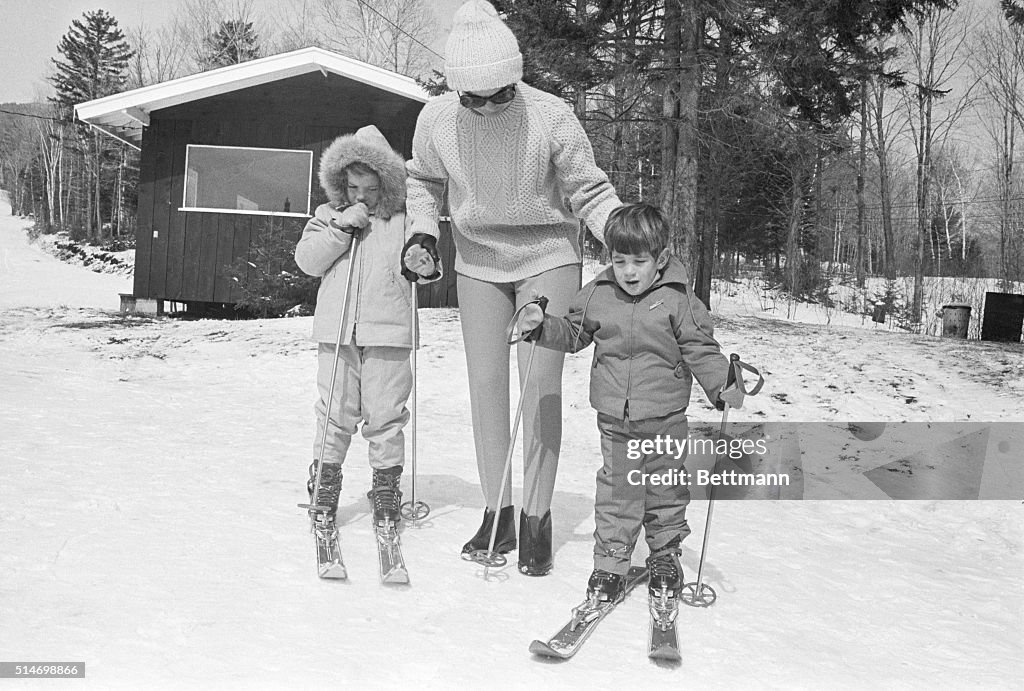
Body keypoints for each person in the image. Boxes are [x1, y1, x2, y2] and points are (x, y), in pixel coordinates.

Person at [400, 0, 622, 577]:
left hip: (547, 253)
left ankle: (537, 518)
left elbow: (588, 190)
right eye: (477, 98)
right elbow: (422, 181)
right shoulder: (436, 120)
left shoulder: (550, 115)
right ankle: (498, 510)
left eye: (504, 91)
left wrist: (620, 232)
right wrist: (423, 233)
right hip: (478, 261)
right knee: (486, 387)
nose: (493, 105)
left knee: (538, 385)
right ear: (457, 93)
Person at [512, 203, 743, 603]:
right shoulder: (599, 295)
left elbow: (699, 348)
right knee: (618, 491)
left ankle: (665, 556)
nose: (629, 272)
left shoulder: (677, 299)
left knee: (665, 489)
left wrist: (722, 381)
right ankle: (611, 563)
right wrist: (540, 327)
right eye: (620, 261)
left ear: (661, 259)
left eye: (639, 261)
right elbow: (572, 334)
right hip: (615, 418)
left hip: (666, 417)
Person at [295, 125, 438, 532]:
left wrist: (424, 265)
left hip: (389, 333)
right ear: (342, 184)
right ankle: (325, 482)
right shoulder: (328, 217)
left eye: (371, 189)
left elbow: (423, 262)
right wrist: (341, 230)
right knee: (335, 410)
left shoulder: (403, 221)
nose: (362, 196)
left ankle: (387, 487)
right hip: (337, 333)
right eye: (354, 186)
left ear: (387, 186)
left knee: (386, 414)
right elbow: (308, 260)